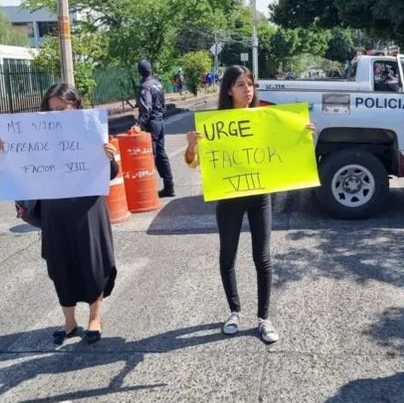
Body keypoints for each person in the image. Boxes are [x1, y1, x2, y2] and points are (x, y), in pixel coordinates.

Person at [183, 65, 315, 344]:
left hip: (260, 197)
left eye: (251, 84)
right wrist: (192, 147)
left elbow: (282, 149)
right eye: (241, 84)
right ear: (229, 90)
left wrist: (302, 136)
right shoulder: (215, 124)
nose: (248, 89)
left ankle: (264, 318)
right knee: (227, 257)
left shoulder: (265, 118)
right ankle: (234, 311)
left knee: (263, 258)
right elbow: (194, 163)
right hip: (229, 198)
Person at [0, 82, 119, 345]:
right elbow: (21, 169)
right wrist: (3, 154)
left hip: (87, 210)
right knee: (60, 266)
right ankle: (69, 321)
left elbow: (109, 175)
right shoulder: (36, 137)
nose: (56, 116)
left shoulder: (92, 132)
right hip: (55, 212)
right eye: (51, 110)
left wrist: (110, 158)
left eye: (62, 109)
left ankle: (95, 318)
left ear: (75, 105)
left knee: (92, 264)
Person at [133, 59, 175, 198]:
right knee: (161, 154)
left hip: (151, 123)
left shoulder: (145, 87)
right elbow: (163, 105)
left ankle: (149, 189)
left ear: (139, 72)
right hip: (160, 121)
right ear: (151, 70)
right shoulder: (158, 84)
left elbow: (146, 108)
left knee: (150, 155)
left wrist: (138, 125)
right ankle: (169, 186)